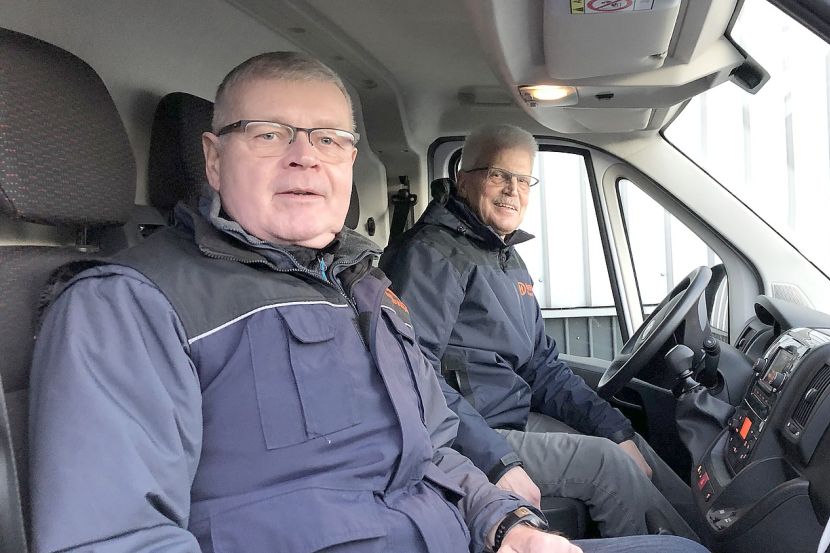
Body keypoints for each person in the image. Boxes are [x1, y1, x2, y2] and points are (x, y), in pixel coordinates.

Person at [28, 52, 709, 553]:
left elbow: (433, 448)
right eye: (267, 133)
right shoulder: (129, 305)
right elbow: (116, 538)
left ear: (349, 160)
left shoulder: (363, 288)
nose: (304, 157)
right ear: (212, 158)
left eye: (328, 138)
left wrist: (507, 523)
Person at [381, 124, 699, 539]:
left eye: (522, 179)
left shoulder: (505, 257)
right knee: (608, 465)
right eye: (497, 175)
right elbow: (412, 372)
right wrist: (496, 460)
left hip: (510, 416)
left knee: (631, 448)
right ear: (464, 179)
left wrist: (614, 428)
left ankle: (704, 542)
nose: (511, 190)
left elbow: (543, 366)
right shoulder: (431, 255)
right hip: (475, 432)